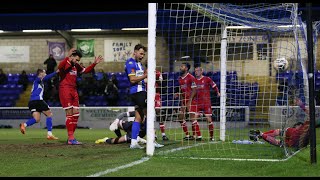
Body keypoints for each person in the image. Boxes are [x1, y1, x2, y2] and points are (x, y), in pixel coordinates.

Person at [58, 48, 103, 145]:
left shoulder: (76, 66)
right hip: (65, 89)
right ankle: (71, 138)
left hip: (74, 90)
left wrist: (94, 63)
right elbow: (60, 66)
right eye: (76, 59)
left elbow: (85, 70)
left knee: (76, 114)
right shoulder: (65, 63)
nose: (77, 62)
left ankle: (71, 137)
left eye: (78, 60)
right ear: (72, 57)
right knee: (69, 114)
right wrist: (68, 57)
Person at [19, 69, 59, 140]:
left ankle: (24, 125)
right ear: (41, 74)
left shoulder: (37, 82)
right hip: (38, 100)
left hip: (32, 102)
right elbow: (46, 77)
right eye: (44, 73)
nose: (45, 74)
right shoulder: (38, 79)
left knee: (36, 119)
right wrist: (56, 72)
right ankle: (49, 134)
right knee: (49, 115)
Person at [95, 111, 164, 148]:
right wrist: (116, 121)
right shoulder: (138, 113)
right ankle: (118, 134)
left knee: (115, 141)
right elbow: (123, 114)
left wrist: (153, 138)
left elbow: (152, 129)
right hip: (130, 126)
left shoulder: (149, 119)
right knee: (112, 123)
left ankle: (105, 139)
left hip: (135, 134)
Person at [124, 44, 148, 149]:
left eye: (143, 54)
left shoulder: (139, 64)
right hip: (138, 93)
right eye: (141, 53)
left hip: (140, 92)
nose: (142, 56)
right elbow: (132, 80)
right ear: (135, 52)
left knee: (139, 118)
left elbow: (141, 79)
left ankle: (133, 142)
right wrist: (146, 75)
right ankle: (152, 140)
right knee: (149, 115)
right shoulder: (131, 63)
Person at [175, 62, 200, 141]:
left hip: (191, 100)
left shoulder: (191, 77)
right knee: (180, 117)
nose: (180, 68)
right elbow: (182, 90)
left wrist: (189, 101)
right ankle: (188, 135)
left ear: (186, 68)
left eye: (182, 66)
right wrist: (179, 95)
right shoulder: (179, 78)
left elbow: (194, 90)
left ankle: (198, 136)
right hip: (184, 101)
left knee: (192, 118)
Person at [194, 66, 220, 141]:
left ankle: (211, 137)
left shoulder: (207, 79)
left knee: (209, 120)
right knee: (194, 119)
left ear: (201, 71)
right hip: (197, 103)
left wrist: (217, 92)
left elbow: (214, 86)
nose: (196, 72)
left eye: (198, 70)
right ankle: (199, 136)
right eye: (195, 71)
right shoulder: (194, 81)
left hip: (206, 102)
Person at [144, 63, 169, 141]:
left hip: (156, 94)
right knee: (150, 115)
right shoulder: (143, 73)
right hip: (147, 95)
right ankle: (153, 134)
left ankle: (163, 134)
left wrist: (156, 77)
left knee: (159, 112)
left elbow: (161, 83)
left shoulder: (157, 72)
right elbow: (144, 81)